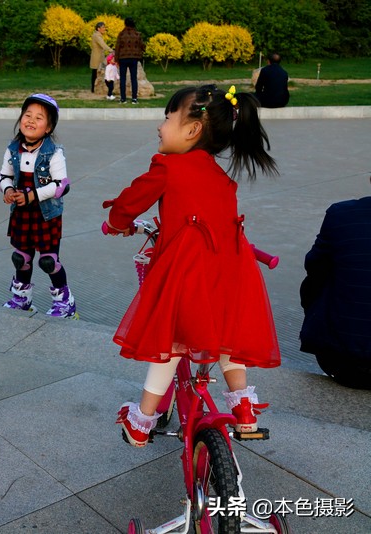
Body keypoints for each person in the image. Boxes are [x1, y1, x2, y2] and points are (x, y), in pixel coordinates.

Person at [102, 84, 281, 447]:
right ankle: (244, 410)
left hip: (188, 274)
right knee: (229, 337)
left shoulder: (167, 166)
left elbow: (129, 203)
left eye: (167, 118)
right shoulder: (222, 179)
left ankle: (142, 421)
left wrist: (116, 224)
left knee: (172, 344)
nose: (160, 126)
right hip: (234, 272)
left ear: (192, 129)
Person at [0, 93, 77, 319]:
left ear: (49, 128)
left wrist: (32, 196)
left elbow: (62, 185)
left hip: (46, 215)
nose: (31, 120)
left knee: (48, 260)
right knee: (20, 258)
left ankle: (64, 301)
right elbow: (3, 176)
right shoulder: (13, 149)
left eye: (39, 118)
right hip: (22, 214)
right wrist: (8, 190)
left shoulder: (54, 152)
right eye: (27, 114)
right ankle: (22, 298)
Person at [299, 177, 371, 389]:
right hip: (344, 361)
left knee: (325, 274)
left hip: (341, 364)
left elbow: (314, 268)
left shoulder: (342, 214)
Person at [114, 17, 145, 104]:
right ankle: (134, 99)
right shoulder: (137, 34)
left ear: (125, 24)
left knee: (122, 79)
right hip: (134, 58)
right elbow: (142, 46)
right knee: (133, 78)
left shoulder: (121, 34)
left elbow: (117, 48)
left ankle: (123, 99)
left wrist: (116, 60)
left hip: (123, 58)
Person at [90, 22, 113, 94]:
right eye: (103, 27)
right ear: (98, 28)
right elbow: (103, 45)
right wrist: (111, 50)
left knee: (97, 73)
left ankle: (95, 88)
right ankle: (94, 88)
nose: (104, 29)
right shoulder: (97, 36)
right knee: (96, 73)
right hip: (97, 57)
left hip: (98, 56)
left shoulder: (97, 35)